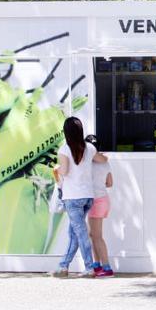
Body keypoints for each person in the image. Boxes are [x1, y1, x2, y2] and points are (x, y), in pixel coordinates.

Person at [51, 117, 107, 278]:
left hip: (73, 197)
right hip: (88, 197)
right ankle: (63, 266)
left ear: (66, 132)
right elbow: (102, 160)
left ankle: (89, 268)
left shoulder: (64, 150)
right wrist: (105, 156)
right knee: (74, 233)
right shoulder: (89, 148)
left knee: (80, 233)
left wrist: (56, 168)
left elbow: (65, 170)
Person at [86, 135, 114, 278]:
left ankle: (107, 267)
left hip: (95, 201)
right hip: (103, 200)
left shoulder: (88, 163)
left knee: (97, 236)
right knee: (93, 235)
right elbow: (110, 183)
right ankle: (97, 265)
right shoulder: (105, 162)